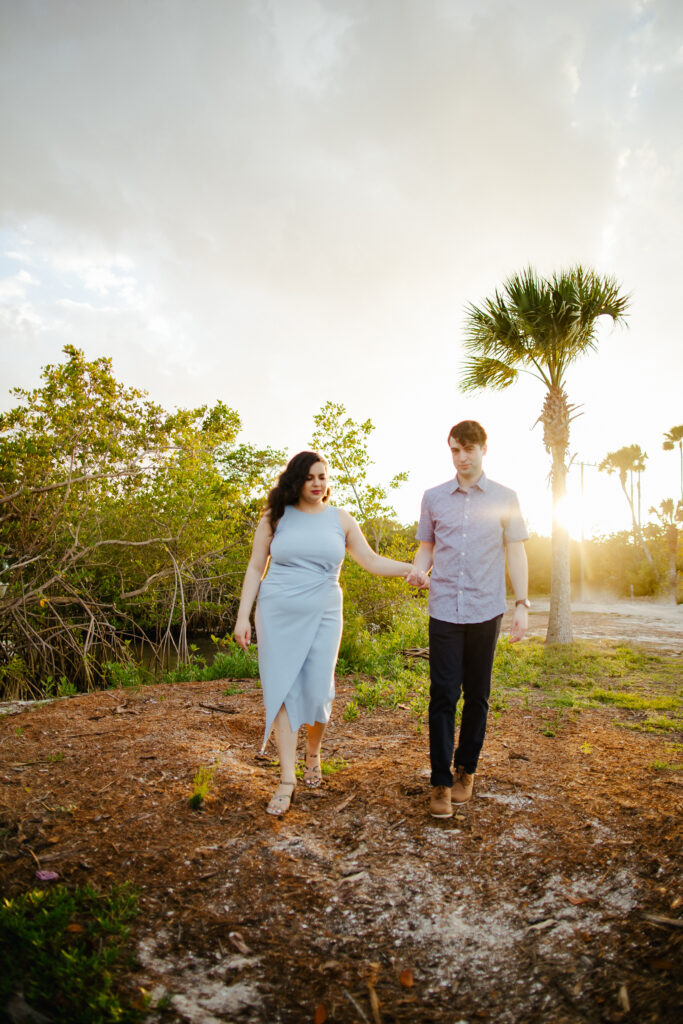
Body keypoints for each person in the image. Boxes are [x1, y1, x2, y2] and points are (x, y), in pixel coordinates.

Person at [234, 451, 427, 816]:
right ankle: (287, 779)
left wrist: (410, 570)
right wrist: (242, 617)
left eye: (322, 476)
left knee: (321, 691)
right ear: (296, 481)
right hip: (277, 613)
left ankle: (314, 751)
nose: (318, 483)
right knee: (283, 691)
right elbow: (256, 566)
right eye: (310, 477)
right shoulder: (274, 518)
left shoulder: (340, 519)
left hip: (324, 612)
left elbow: (370, 561)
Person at [405, 420, 529, 819]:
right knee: (443, 694)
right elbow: (426, 548)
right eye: (455, 450)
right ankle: (440, 782)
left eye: (468, 449)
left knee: (478, 695)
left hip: (485, 609)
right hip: (443, 609)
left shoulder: (506, 497)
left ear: (483, 450)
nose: (461, 457)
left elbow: (517, 553)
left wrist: (522, 604)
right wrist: (418, 569)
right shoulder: (433, 498)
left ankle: (466, 770)